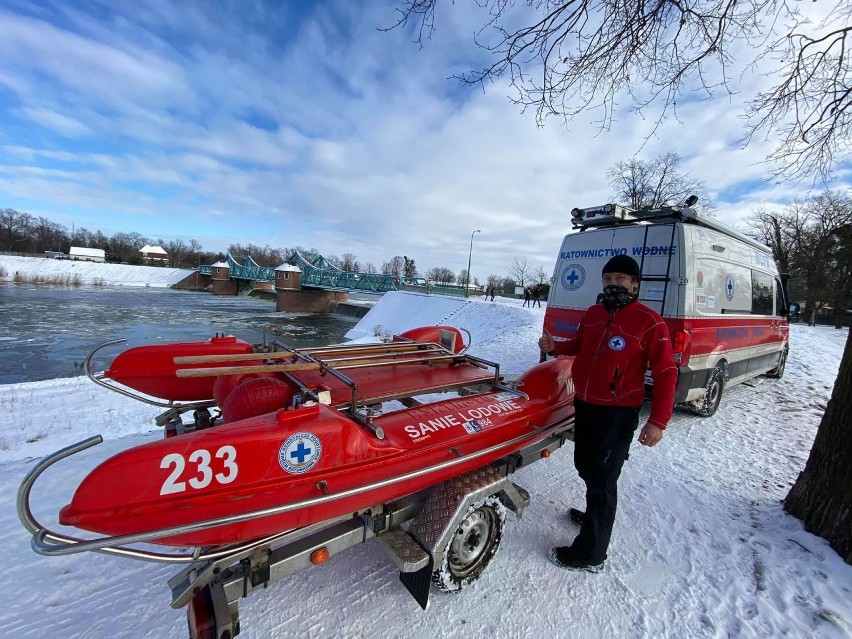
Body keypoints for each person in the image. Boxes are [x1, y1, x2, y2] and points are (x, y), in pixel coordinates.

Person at [538, 254, 677, 573]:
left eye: (620, 279)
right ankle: (594, 517)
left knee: (602, 477)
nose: (612, 284)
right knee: (586, 465)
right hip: (587, 405)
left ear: (635, 284)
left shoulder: (649, 321)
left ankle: (591, 553)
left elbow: (667, 371)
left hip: (618, 413)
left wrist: (658, 421)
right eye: (607, 279)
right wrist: (555, 345)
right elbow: (579, 345)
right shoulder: (594, 313)